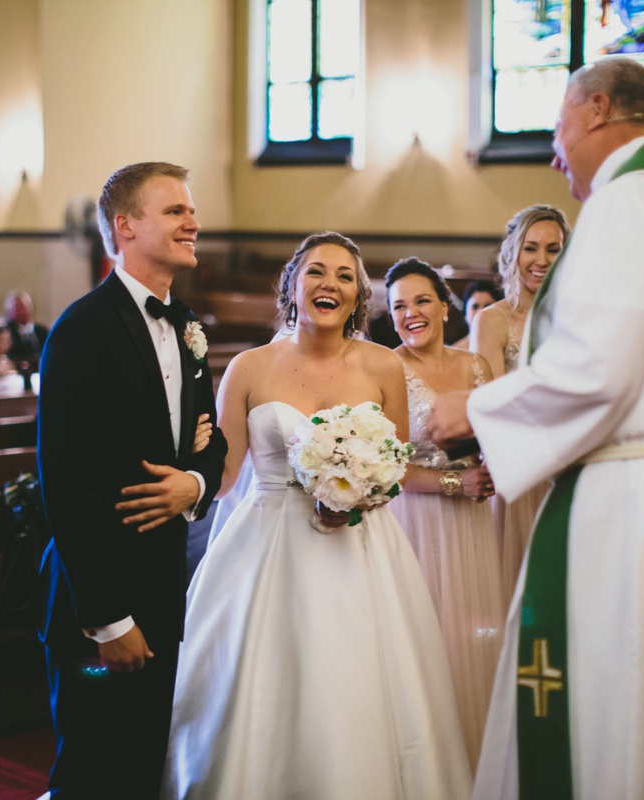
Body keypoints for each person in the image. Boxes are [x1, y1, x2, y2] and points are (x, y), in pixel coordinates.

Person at [427, 58, 644, 800]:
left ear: (597, 111)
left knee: (616, 686)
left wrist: (476, 411)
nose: (555, 152)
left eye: (557, 127)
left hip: (638, 500)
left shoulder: (628, 203)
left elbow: (597, 370)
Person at [162, 232, 471, 800]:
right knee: (264, 688)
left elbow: (394, 465)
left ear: (358, 298)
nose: (330, 283)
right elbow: (226, 475)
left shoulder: (382, 366)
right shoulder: (250, 368)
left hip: (360, 550)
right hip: (267, 543)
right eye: (315, 272)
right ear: (292, 286)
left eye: (345, 276)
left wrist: (358, 497)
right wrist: (187, 469)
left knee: (355, 687)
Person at [36, 161, 228, 799]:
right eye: (176, 211)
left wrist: (194, 486)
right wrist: (109, 620)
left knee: (147, 763)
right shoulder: (81, 331)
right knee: (94, 768)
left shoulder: (188, 326)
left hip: (165, 588)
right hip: (104, 596)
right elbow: (65, 484)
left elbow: (213, 439)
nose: (193, 222)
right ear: (125, 226)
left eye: (191, 211)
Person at [383, 257, 504, 774]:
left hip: (475, 526)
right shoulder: (385, 369)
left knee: (473, 640)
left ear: (444, 305)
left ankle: (477, 762)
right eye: (398, 306)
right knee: (423, 642)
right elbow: (384, 469)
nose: (411, 313)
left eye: (421, 300)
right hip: (415, 523)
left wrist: (494, 468)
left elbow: (502, 433)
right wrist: (456, 482)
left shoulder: (476, 367)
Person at [471, 204, 570, 600]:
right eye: (531, 248)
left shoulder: (576, 315)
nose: (541, 260)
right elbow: (492, 400)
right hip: (520, 470)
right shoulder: (493, 321)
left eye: (553, 249)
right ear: (513, 253)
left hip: (570, 463)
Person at [6, 290, 49, 359]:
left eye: (24, 307)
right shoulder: (8, 332)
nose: (22, 312)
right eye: (18, 308)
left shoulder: (42, 330)